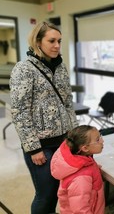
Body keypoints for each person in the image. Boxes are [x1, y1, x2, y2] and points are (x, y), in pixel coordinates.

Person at [9, 21, 78, 214]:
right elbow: (20, 112)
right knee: (46, 195)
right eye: (52, 41)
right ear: (38, 41)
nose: (57, 45)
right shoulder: (24, 69)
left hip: (63, 141)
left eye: (59, 41)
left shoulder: (61, 67)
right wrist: (33, 148)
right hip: (42, 146)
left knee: (58, 191)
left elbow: (68, 103)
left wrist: (74, 135)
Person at [51, 125, 105, 214]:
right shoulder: (80, 179)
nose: (102, 141)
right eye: (97, 139)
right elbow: (81, 210)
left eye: (100, 136)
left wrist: (94, 170)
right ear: (85, 148)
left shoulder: (82, 158)